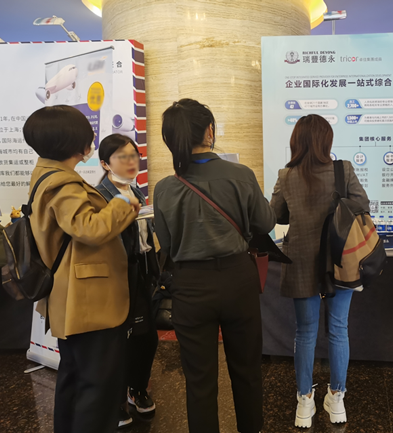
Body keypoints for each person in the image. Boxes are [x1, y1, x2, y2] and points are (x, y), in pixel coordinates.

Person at [153, 99, 275, 433]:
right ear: (210, 130)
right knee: (247, 372)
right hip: (238, 280)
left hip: (190, 286)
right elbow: (266, 223)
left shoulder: (164, 189)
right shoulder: (241, 175)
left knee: (199, 380)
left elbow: (167, 244)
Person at [23, 106, 140, 433]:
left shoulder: (46, 174)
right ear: (72, 141)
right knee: (97, 388)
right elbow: (89, 229)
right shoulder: (63, 183)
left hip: (74, 300)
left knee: (75, 381)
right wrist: (122, 202)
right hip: (88, 302)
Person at [270, 114, 370, 428]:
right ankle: (337, 399)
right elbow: (363, 206)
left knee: (304, 332)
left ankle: (304, 401)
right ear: (326, 141)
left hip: (300, 260)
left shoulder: (286, 175)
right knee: (339, 329)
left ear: (296, 141)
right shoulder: (343, 170)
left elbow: (276, 215)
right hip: (340, 260)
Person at [96, 134, 160, 428]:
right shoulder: (100, 196)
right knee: (119, 339)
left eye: (134, 155)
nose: (131, 161)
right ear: (105, 164)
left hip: (143, 269)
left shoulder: (137, 191)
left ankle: (138, 389)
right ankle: (115, 399)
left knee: (147, 336)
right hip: (119, 273)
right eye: (122, 156)